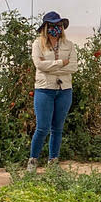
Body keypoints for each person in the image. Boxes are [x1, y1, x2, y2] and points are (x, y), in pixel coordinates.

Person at [27, 11, 78, 171]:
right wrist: (62, 62)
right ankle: (33, 161)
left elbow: (73, 67)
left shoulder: (69, 45)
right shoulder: (37, 44)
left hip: (64, 90)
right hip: (44, 90)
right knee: (42, 128)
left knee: (58, 128)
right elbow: (39, 65)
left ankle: (53, 162)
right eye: (53, 25)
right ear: (46, 27)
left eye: (59, 25)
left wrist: (51, 65)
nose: (56, 28)